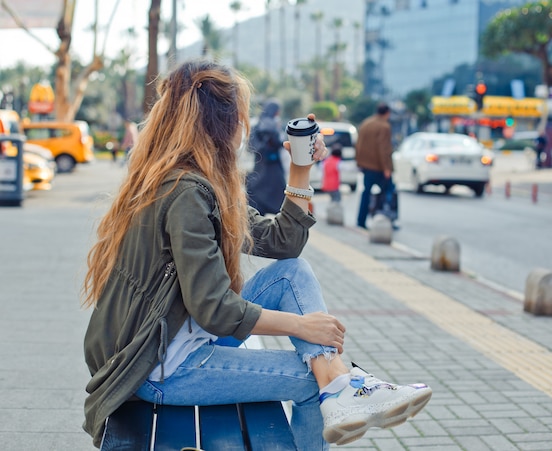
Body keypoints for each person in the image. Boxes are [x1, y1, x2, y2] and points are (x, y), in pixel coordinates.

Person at [81, 60, 432, 450]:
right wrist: (301, 327)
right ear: (224, 123)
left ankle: (337, 386)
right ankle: (339, 386)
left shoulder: (195, 180)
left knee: (291, 273)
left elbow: (282, 243)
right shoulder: (187, 193)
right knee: (309, 382)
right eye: (241, 117)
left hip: (172, 338)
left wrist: (300, 169)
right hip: (156, 366)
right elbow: (214, 309)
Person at [355, 103, 394, 229]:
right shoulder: (384, 126)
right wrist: (387, 168)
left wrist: (359, 162)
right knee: (389, 191)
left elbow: (358, 144)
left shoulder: (366, 123)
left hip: (366, 166)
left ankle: (361, 220)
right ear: (387, 113)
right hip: (379, 167)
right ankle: (386, 219)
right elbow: (384, 149)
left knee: (366, 193)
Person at [246, 99, 286, 215]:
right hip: (273, 167)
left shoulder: (256, 125)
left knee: (256, 195)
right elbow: (280, 143)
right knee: (278, 196)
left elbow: (251, 147)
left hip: (260, 167)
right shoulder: (274, 125)